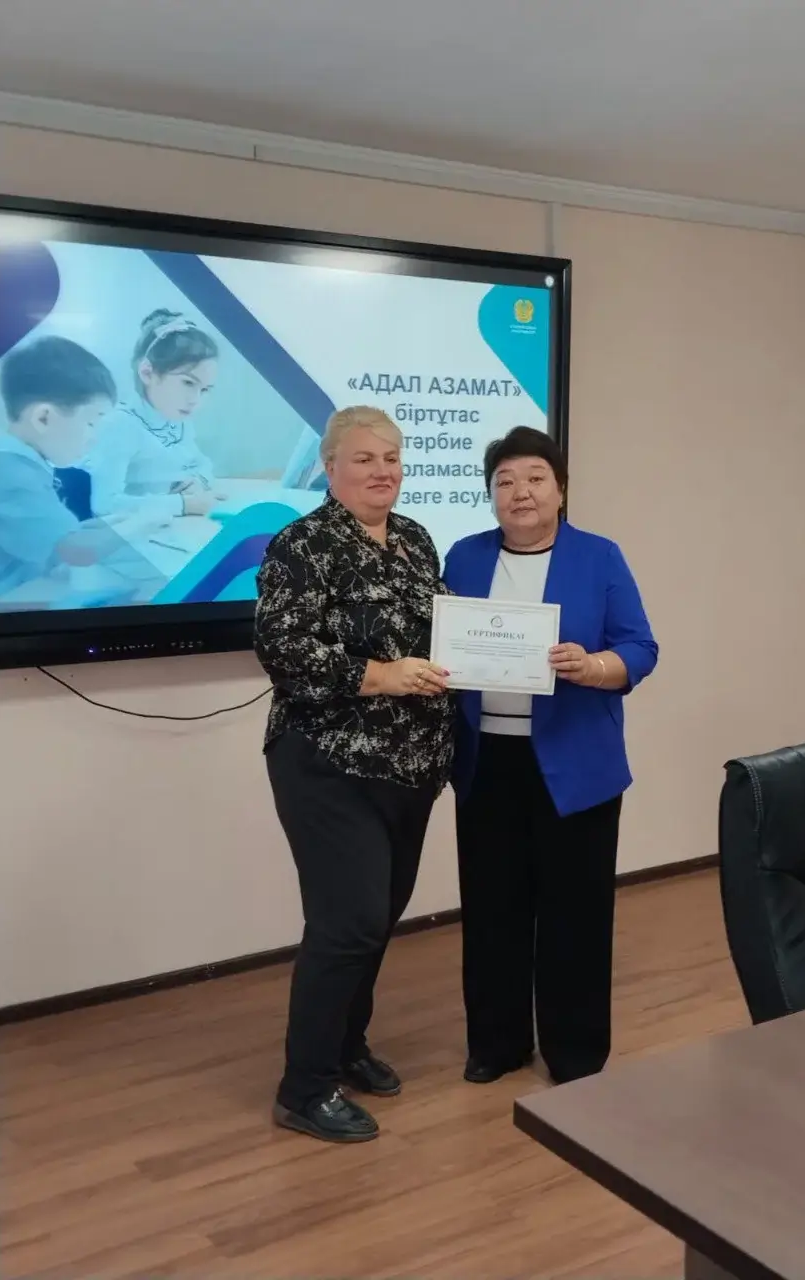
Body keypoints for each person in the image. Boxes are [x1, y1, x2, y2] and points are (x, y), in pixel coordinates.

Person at [255, 405, 453, 1145]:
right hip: (327, 761)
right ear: (329, 467)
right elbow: (283, 650)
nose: (382, 471)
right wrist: (383, 675)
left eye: (392, 458)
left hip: (411, 766)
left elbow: (441, 636)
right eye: (365, 458)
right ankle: (304, 1088)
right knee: (349, 922)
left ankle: (346, 1045)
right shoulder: (301, 544)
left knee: (379, 918)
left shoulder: (415, 540)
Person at [443, 426, 659, 1086]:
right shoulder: (465, 557)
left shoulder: (599, 556)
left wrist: (594, 667)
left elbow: (640, 648)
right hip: (487, 761)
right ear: (490, 495)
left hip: (576, 763)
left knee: (576, 914)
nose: (521, 492)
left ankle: (575, 1052)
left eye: (535, 478)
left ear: (560, 489)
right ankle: (498, 1043)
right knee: (492, 909)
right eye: (504, 481)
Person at [0, 335, 125, 595]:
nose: (94, 438)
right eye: (91, 423)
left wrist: (112, 526)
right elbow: (76, 551)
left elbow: (54, 532)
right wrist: (143, 523)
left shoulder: (21, 463)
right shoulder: (11, 473)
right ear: (43, 418)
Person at [83, 309, 224, 522]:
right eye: (188, 383)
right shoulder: (119, 425)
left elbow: (202, 463)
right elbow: (105, 504)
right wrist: (183, 504)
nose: (195, 400)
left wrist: (198, 482)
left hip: (162, 524)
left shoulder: (178, 420)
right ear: (147, 373)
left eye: (204, 389)